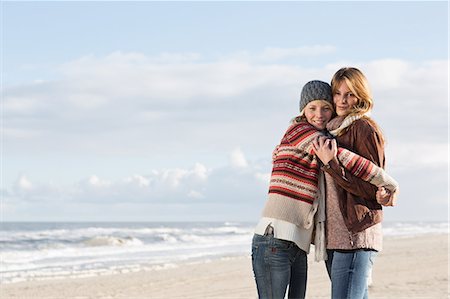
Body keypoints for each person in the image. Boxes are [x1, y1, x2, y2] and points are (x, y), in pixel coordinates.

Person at [251, 80, 398, 299]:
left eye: (325, 107)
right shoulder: (304, 132)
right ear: (303, 110)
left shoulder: (326, 136)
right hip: (275, 240)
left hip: (298, 245)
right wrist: (389, 182)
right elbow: (345, 157)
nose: (319, 114)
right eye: (312, 108)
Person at [312, 67, 396, 299]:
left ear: (360, 96)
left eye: (349, 94)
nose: (342, 100)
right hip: (334, 237)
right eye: (337, 94)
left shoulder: (364, 128)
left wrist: (332, 165)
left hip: (357, 234)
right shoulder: (330, 132)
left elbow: (373, 186)